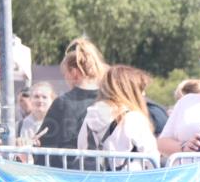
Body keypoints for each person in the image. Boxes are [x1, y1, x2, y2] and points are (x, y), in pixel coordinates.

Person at [37, 38, 108, 167]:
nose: (65, 79)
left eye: (65, 74)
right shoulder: (109, 100)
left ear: (74, 72)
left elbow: (43, 144)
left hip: (67, 176)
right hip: (104, 175)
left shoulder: (62, 103)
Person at [77, 65, 158, 171]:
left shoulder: (91, 114)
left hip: (96, 181)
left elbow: (82, 148)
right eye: (141, 89)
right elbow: (151, 158)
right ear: (130, 90)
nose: (144, 94)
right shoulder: (134, 118)